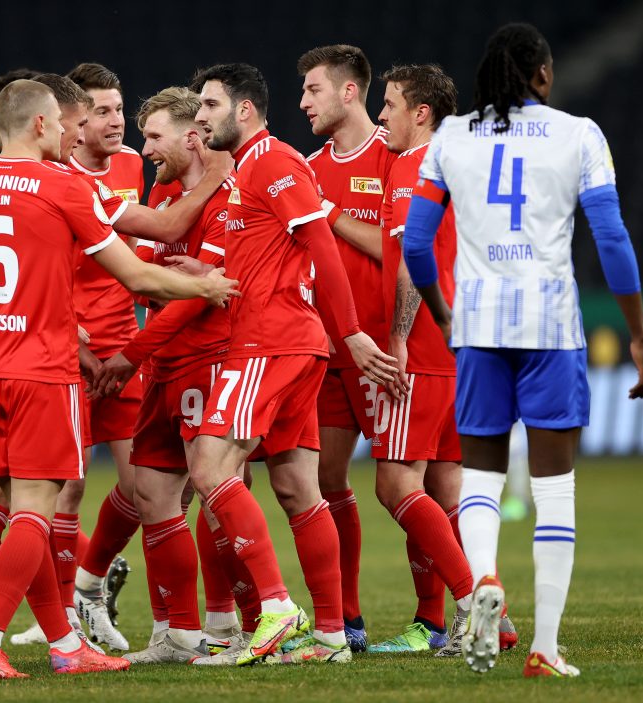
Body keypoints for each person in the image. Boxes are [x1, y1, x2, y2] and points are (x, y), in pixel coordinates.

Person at [0, 78, 238, 680]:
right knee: (38, 508)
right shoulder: (64, 187)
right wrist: (204, 286)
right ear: (42, 125)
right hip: (42, 367)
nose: (70, 133)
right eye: (64, 124)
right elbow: (141, 279)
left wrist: (4, 247)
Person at [402, 23, 643, 678]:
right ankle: (544, 646)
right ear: (543, 73)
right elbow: (612, 238)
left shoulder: (451, 138)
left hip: (480, 328)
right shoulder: (580, 135)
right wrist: (637, 335)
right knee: (554, 490)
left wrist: (441, 312)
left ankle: (484, 578)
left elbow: (415, 243)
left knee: (481, 479)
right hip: (551, 328)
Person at [182, 62, 400, 665]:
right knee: (299, 487)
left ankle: (275, 606)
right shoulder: (246, 172)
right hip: (289, 343)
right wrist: (194, 275)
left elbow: (321, 244)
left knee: (209, 465)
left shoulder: (275, 161)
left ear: (244, 110)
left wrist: (351, 332)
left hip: (269, 342)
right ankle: (331, 636)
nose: (200, 118)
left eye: (210, 106)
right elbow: (259, 259)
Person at [63, 62, 234, 651]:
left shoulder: (140, 170)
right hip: (78, 352)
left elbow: (149, 262)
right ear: (71, 119)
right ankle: (68, 606)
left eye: (125, 113)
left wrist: (134, 341)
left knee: (174, 490)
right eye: (103, 112)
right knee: (61, 491)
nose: (122, 128)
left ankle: (206, 621)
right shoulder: (62, 178)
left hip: (156, 351)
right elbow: (156, 239)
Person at [366, 63, 477, 656]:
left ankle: (474, 603)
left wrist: (399, 338)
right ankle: (455, 619)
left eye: (390, 104)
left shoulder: (416, 165)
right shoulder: (456, 165)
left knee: (394, 483)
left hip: (425, 348)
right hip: (460, 345)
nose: (383, 115)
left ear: (421, 113)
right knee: (445, 487)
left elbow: (412, 254)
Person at [297, 44, 397, 651]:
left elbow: (396, 249)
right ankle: (350, 620)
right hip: (329, 351)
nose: (304, 101)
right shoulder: (306, 166)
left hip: (387, 351)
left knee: (407, 488)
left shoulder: (395, 157)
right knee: (328, 481)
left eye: (312, 90)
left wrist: (327, 213)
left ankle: (443, 616)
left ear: (349, 91)